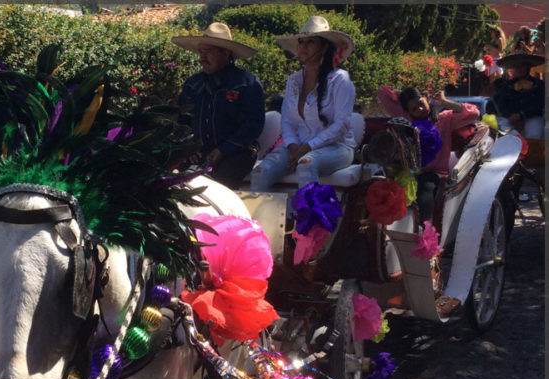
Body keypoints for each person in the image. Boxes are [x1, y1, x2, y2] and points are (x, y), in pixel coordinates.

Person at [250, 15, 357, 191]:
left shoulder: (340, 79)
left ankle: (310, 218)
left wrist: (308, 147)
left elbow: (342, 124)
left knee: (307, 163)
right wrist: (292, 146)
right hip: (298, 145)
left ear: (324, 48)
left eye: (311, 42)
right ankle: (259, 218)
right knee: (260, 171)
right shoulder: (294, 80)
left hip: (337, 148)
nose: (304, 47)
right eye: (301, 41)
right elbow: (287, 121)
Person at [172, 22, 265, 190]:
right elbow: (181, 121)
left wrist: (223, 150)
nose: (201, 57)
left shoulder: (247, 83)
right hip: (198, 154)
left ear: (225, 53)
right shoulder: (192, 84)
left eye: (207, 51)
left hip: (236, 154)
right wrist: (187, 147)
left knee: (214, 190)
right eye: (200, 51)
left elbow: (253, 125)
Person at [377, 86, 480, 225]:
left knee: (426, 185)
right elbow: (382, 92)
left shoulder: (445, 119)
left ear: (426, 98)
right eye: (413, 108)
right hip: (409, 171)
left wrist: (444, 102)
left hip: (436, 173)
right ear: (408, 111)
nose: (419, 110)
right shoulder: (406, 119)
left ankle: (425, 229)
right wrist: (405, 95)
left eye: (421, 103)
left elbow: (474, 113)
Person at [490, 52, 545, 139]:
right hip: (510, 119)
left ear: (528, 67)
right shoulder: (507, 85)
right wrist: (511, 117)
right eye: (516, 66)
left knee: (534, 134)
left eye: (522, 66)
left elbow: (540, 105)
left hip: (532, 118)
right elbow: (500, 104)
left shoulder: (539, 85)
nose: (519, 69)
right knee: (502, 133)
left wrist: (522, 115)